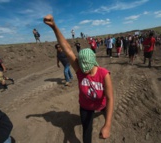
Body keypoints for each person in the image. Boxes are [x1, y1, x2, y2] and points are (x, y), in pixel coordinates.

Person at [44, 14, 114, 143]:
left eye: (87, 66)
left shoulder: (104, 74)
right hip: (85, 107)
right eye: (82, 66)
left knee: (105, 114)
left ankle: (101, 114)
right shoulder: (80, 70)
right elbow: (68, 50)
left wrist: (107, 125)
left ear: (94, 61)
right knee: (87, 129)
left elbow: (110, 98)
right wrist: (54, 27)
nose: (84, 69)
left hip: (101, 104)